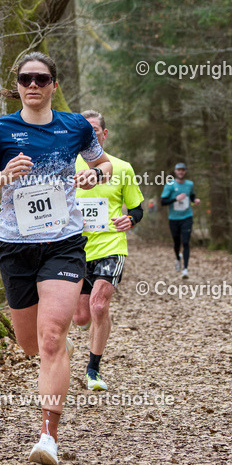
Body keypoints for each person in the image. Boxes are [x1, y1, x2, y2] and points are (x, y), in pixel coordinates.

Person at [0, 52, 112, 465]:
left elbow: (104, 168)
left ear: (54, 85)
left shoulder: (76, 126)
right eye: (26, 78)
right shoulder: (0, 130)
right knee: (30, 345)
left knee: (51, 338)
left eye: (41, 79)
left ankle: (48, 436)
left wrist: (92, 175)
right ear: (18, 85)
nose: (33, 85)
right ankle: (52, 379)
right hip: (16, 246)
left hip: (64, 242)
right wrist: (3, 177)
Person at [73, 111, 144, 391]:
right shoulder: (67, 165)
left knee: (99, 306)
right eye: (84, 131)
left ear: (104, 134)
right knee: (80, 317)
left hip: (111, 245)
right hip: (74, 248)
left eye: (94, 130)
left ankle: (93, 370)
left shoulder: (122, 167)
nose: (90, 135)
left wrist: (131, 219)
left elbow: (136, 207)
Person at [160, 162, 200, 277]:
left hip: (187, 217)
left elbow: (191, 195)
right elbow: (163, 202)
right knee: (177, 242)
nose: (181, 172)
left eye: (183, 170)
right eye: (179, 170)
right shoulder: (170, 185)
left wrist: (195, 200)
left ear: (185, 171)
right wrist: (175, 199)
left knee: (186, 242)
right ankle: (178, 257)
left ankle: (185, 269)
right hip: (174, 218)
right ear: (175, 171)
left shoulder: (189, 184)